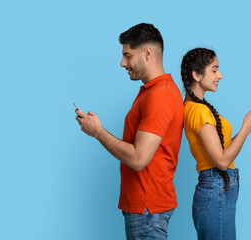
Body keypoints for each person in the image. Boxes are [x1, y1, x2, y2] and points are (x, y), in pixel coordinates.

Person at [75, 23, 184, 240]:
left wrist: (98, 132)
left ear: (147, 53)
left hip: (147, 210)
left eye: (127, 55)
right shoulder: (152, 92)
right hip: (146, 208)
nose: (122, 63)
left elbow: (138, 158)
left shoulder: (159, 96)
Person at [181, 48, 251, 240]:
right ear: (196, 74)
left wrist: (248, 128)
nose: (220, 75)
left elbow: (223, 151)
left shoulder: (198, 108)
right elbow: (221, 161)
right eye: (214, 70)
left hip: (218, 189)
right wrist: (246, 127)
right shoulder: (198, 111)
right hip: (215, 188)